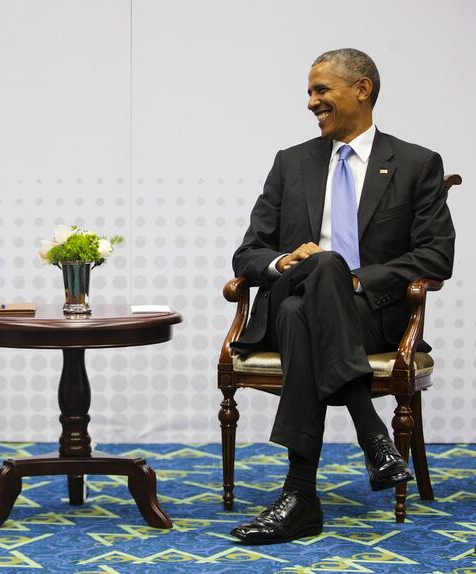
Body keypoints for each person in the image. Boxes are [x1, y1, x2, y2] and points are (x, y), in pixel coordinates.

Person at [228, 49, 455, 544]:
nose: (311, 102)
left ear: (363, 89)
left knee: (303, 301)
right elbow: (247, 254)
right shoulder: (291, 163)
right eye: (310, 92)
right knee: (309, 282)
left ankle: (300, 496)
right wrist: (285, 261)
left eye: (321, 90)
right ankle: (371, 431)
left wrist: (356, 279)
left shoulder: (417, 164)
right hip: (301, 296)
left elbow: (437, 258)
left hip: (373, 315)